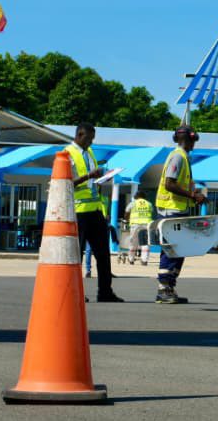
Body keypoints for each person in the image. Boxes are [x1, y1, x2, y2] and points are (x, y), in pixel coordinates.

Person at [66, 123, 122, 302]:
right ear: (80, 134)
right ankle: (75, 293)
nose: (91, 142)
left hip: (95, 210)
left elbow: (92, 181)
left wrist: (102, 177)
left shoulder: (89, 153)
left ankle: (105, 292)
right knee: (78, 255)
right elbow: (65, 182)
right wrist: (89, 176)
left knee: (103, 254)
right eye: (89, 138)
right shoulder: (67, 154)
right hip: (78, 211)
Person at [155, 124, 206, 304]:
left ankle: (169, 287)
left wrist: (194, 196)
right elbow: (170, 184)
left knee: (179, 249)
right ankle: (163, 289)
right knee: (171, 250)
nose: (194, 145)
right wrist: (192, 195)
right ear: (189, 139)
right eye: (193, 141)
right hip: (171, 210)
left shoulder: (183, 157)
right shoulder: (178, 157)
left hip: (178, 209)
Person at [125, 188, 154, 266]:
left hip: (135, 225)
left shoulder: (133, 203)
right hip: (147, 225)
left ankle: (131, 259)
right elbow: (151, 212)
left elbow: (127, 213)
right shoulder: (149, 204)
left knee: (133, 242)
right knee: (145, 243)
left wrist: (127, 220)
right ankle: (144, 260)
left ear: (137, 196)